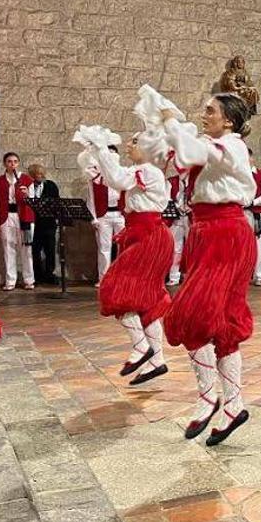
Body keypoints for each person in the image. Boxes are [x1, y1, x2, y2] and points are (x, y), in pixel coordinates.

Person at [159, 93, 258, 446]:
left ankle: (208, 397)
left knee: (191, 316)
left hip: (225, 232)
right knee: (220, 322)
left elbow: (187, 153)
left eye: (210, 111)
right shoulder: (214, 144)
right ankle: (233, 404)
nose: (204, 116)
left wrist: (171, 118)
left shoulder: (232, 146)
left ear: (228, 120)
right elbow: (177, 158)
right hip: (206, 232)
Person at [80, 129, 175, 385]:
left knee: (115, 289)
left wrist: (102, 149)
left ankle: (142, 346)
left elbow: (118, 179)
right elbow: (110, 178)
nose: (129, 145)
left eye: (135, 141)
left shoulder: (147, 171)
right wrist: (94, 151)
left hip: (149, 236)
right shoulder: (141, 171)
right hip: (143, 233)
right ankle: (157, 360)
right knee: (145, 300)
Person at [0, 152, 35, 291]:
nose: (12, 164)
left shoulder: (27, 180)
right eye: (9, 161)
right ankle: (11, 280)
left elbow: (34, 201)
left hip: (25, 217)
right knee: (8, 249)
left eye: (15, 161)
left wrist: (27, 194)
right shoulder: (0, 181)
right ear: (5, 164)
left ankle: (29, 279)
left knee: (26, 249)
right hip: (7, 216)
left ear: (18, 163)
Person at [84, 148, 127, 285]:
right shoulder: (96, 178)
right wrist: (93, 218)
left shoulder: (123, 174)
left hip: (120, 214)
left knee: (124, 247)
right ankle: (103, 278)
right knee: (104, 248)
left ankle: (122, 276)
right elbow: (91, 199)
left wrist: (128, 216)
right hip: (104, 215)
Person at [27, 163, 59, 284]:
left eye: (40, 174)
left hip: (48, 224)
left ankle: (50, 274)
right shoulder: (29, 187)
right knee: (34, 251)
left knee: (50, 250)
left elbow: (55, 202)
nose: (38, 177)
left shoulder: (51, 186)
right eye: (35, 175)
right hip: (34, 224)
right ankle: (37, 275)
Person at [166, 170, 190, 286]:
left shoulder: (196, 181)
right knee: (176, 248)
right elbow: (167, 198)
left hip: (192, 218)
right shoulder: (172, 181)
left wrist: (191, 206)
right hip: (176, 218)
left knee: (193, 248)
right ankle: (174, 277)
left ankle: (191, 277)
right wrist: (177, 206)